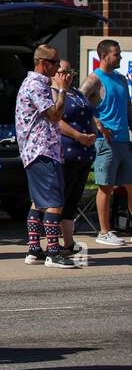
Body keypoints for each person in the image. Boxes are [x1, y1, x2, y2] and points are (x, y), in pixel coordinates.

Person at [15, 45, 77, 268]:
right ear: (43, 63)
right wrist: (62, 90)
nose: (59, 67)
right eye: (55, 62)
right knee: (54, 201)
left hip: (39, 150)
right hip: (42, 150)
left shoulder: (35, 84)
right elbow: (54, 115)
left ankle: (34, 248)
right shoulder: (36, 85)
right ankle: (53, 251)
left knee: (39, 201)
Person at [80, 39, 132, 246]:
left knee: (130, 185)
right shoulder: (94, 80)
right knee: (106, 187)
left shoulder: (120, 79)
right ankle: (104, 231)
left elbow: (128, 108)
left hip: (123, 141)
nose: (119, 57)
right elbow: (78, 104)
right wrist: (97, 123)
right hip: (105, 142)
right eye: (116, 54)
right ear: (103, 56)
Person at [57, 59, 98, 255]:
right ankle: (52, 243)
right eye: (64, 71)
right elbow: (56, 121)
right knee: (61, 199)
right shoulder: (54, 93)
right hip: (66, 153)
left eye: (71, 71)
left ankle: (68, 242)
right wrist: (79, 136)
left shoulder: (79, 93)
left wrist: (93, 133)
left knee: (73, 200)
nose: (68, 75)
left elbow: (88, 116)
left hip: (84, 154)